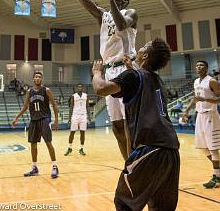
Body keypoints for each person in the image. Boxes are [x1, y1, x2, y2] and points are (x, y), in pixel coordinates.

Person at [92, 38, 180, 211]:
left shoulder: (133, 76)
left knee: (124, 204)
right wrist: (131, 68)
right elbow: (138, 86)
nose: (139, 48)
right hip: (171, 153)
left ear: (145, 55)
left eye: (144, 46)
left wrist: (96, 72)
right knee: (160, 207)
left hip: (150, 149)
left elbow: (101, 89)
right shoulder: (157, 81)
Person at [75, 0, 138, 160]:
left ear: (125, 1)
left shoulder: (131, 13)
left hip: (126, 68)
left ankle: (137, 162)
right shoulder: (103, 15)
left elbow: (120, 27)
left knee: (130, 123)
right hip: (109, 70)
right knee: (117, 126)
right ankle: (128, 163)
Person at [12, 72, 59, 178]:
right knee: (33, 144)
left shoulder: (46, 90)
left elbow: (55, 106)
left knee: (48, 143)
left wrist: (56, 121)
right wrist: (16, 118)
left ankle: (55, 167)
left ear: (42, 79)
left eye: (39, 77)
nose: (37, 78)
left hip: (44, 119)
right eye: (36, 77)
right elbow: (25, 107)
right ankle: (34, 168)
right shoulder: (29, 92)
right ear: (33, 79)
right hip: (34, 120)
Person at [183, 60, 220, 188]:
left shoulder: (212, 81)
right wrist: (186, 111)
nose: (198, 67)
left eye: (201, 65)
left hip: (211, 115)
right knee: (203, 148)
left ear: (207, 68)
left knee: (213, 148)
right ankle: (218, 170)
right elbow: (195, 99)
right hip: (200, 116)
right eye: (197, 65)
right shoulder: (196, 82)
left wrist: (205, 99)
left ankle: (217, 177)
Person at [64, 83, 91, 156]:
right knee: (72, 132)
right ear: (77, 88)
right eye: (78, 87)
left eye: (81, 87)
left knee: (83, 133)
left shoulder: (86, 96)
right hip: (75, 115)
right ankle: (69, 148)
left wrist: (89, 116)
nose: (79, 88)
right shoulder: (73, 96)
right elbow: (71, 107)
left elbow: (88, 106)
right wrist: (70, 118)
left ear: (83, 88)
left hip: (83, 115)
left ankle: (81, 149)